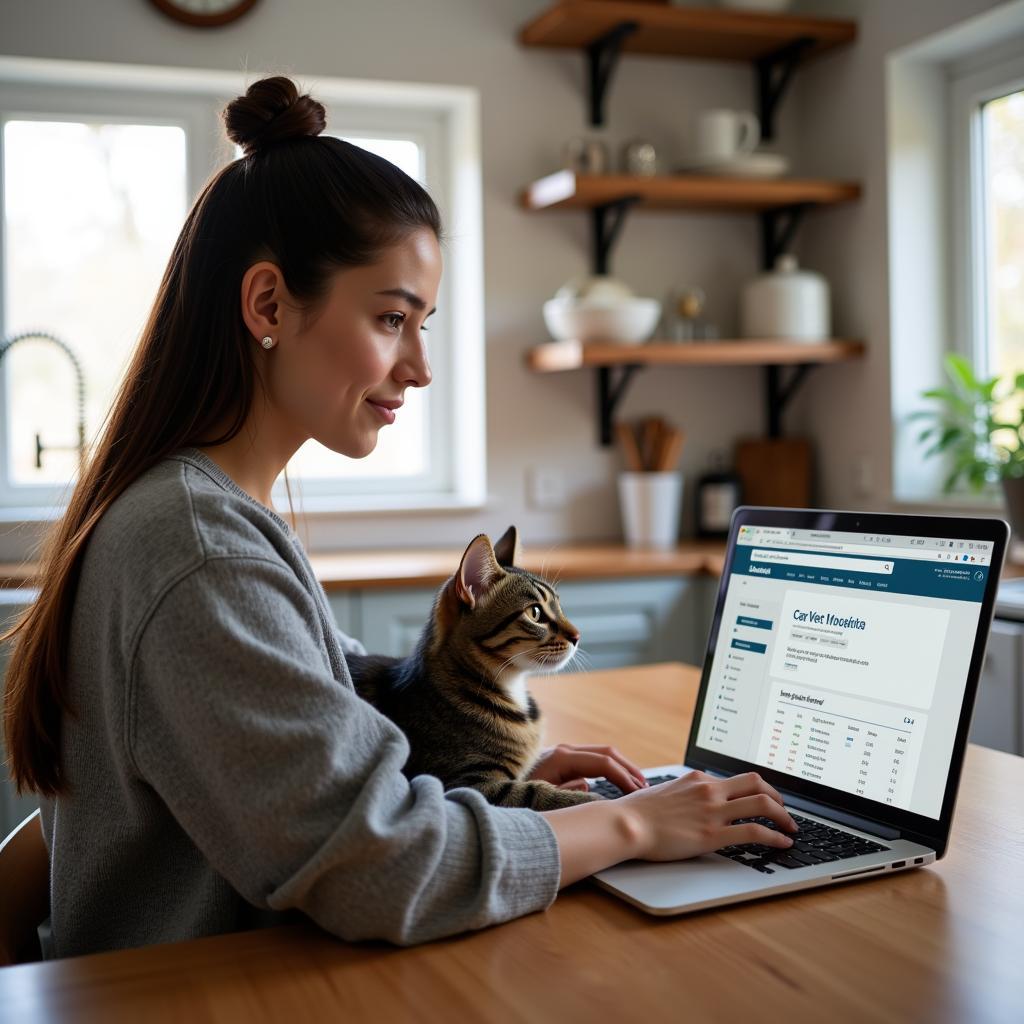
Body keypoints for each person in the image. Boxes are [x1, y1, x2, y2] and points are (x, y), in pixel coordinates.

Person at [1, 76, 795, 960]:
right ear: (268, 305)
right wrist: (636, 829)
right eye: (391, 319)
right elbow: (380, 865)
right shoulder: (199, 548)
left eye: (423, 325)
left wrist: (507, 788)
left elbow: (333, 745)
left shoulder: (202, 513)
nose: (419, 367)